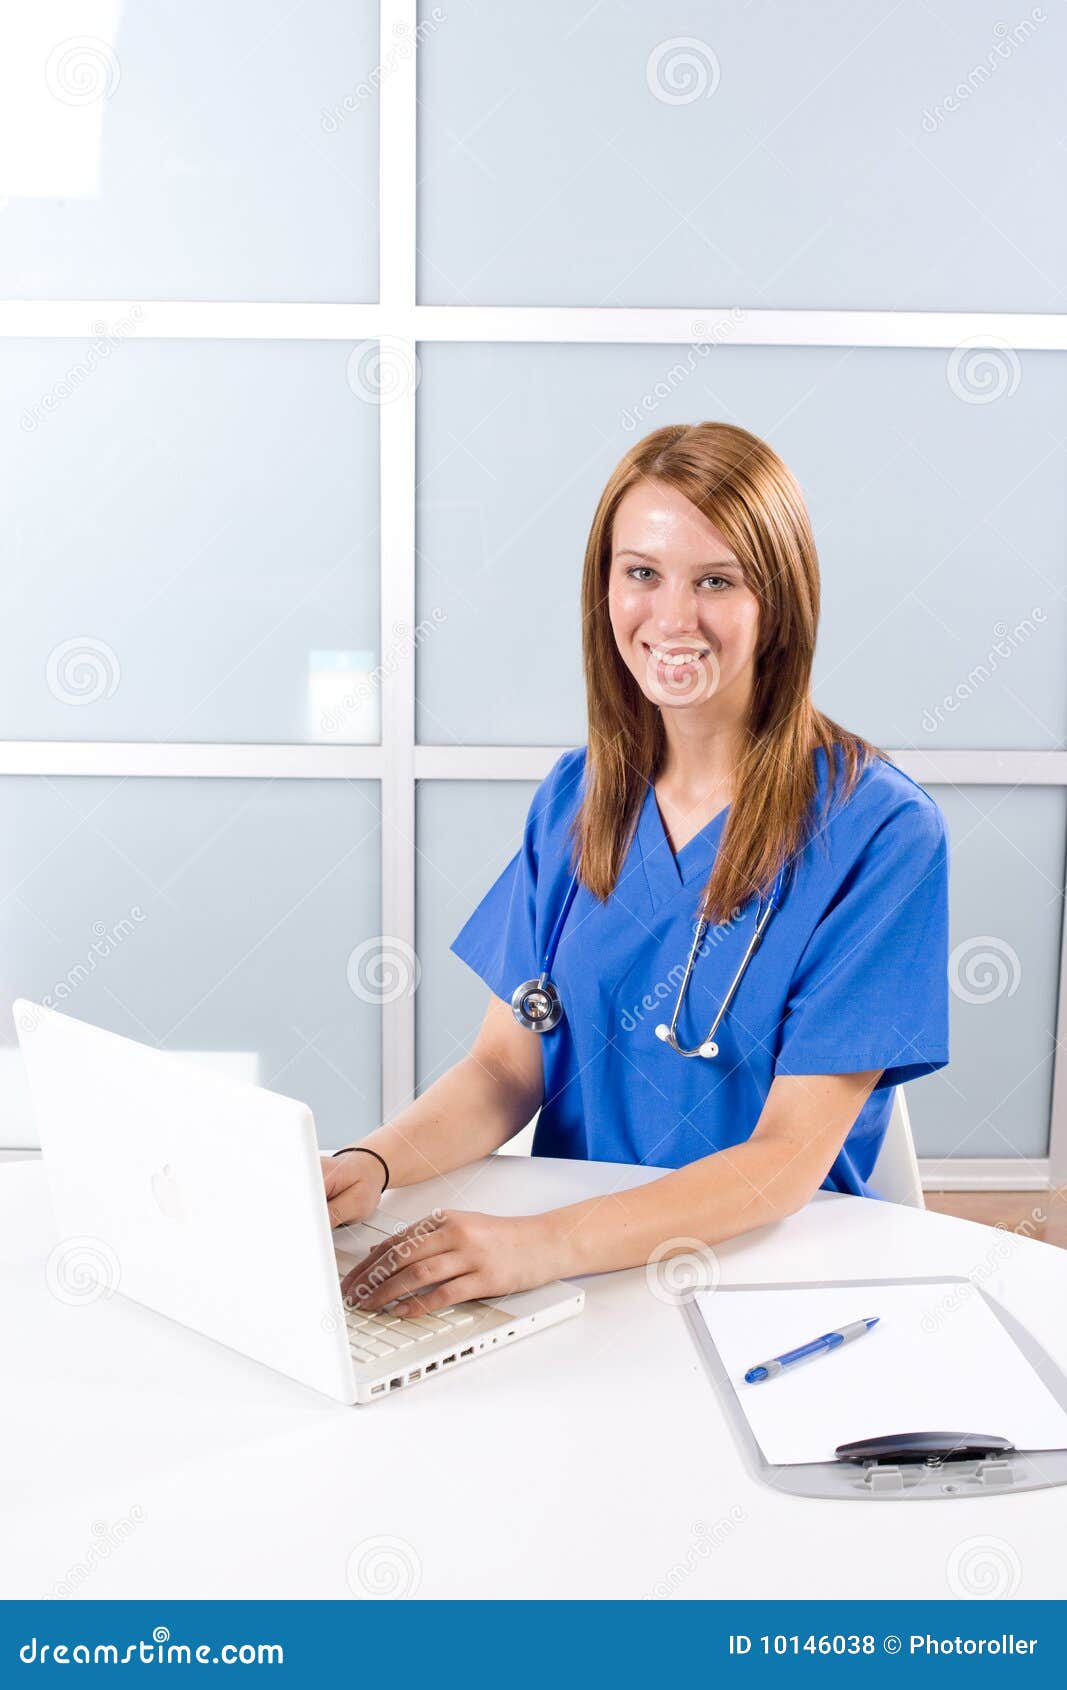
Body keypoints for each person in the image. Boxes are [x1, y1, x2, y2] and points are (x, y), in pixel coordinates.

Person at [324, 421, 949, 1317]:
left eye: (717, 581)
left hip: (767, 1277)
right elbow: (507, 1070)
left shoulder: (879, 832)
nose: (671, 618)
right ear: (604, 588)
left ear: (780, 603)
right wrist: (371, 1165)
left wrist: (541, 1246)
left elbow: (783, 1158)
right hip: (577, 1272)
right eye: (642, 573)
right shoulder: (578, 798)